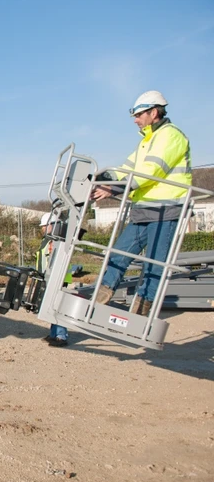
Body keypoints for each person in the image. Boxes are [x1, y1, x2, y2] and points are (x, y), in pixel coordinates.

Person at [91, 90, 192, 315]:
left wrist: (115, 189)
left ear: (153, 112)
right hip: (144, 209)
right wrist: (100, 180)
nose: (135, 120)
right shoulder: (147, 140)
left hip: (166, 210)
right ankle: (99, 299)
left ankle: (141, 311)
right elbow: (127, 169)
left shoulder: (171, 135)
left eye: (138, 115)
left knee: (155, 263)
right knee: (119, 253)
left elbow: (150, 171)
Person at [36, 212, 72, 347]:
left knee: (58, 307)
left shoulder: (57, 241)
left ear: (53, 225)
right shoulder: (49, 240)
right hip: (49, 278)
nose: (42, 229)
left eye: (45, 226)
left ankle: (61, 336)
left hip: (58, 279)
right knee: (51, 308)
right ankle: (53, 334)